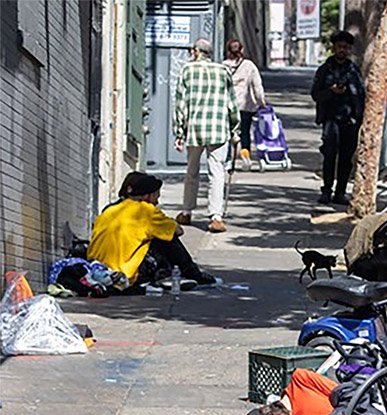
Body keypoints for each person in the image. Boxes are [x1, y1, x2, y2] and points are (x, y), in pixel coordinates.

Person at [87, 174, 216, 291]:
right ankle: (193, 273)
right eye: (156, 197)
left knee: (156, 233)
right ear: (147, 196)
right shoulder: (146, 211)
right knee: (167, 237)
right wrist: (168, 222)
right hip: (125, 275)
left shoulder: (109, 209)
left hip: (95, 271)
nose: (157, 202)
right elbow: (178, 231)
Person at [173, 38, 240, 233]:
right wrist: (235, 130)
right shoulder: (223, 71)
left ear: (195, 51)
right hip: (219, 129)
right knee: (217, 172)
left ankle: (186, 211)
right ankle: (216, 217)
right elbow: (232, 104)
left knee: (191, 171)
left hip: (195, 129)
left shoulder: (187, 70)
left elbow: (181, 104)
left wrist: (179, 131)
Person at [311, 30, 365, 205]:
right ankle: (327, 190)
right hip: (330, 119)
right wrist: (331, 92)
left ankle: (340, 192)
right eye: (339, 46)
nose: (342, 50)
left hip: (349, 120)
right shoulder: (324, 70)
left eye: (346, 47)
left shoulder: (353, 71)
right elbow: (315, 94)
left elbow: (361, 94)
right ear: (334, 48)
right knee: (329, 155)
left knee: (345, 158)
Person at [222, 38, 266, 167]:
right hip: (246, 106)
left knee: (229, 133)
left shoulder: (223, 66)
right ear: (241, 50)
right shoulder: (249, 65)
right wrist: (261, 102)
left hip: (228, 105)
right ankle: (245, 156)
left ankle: (229, 160)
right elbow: (257, 87)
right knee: (245, 132)